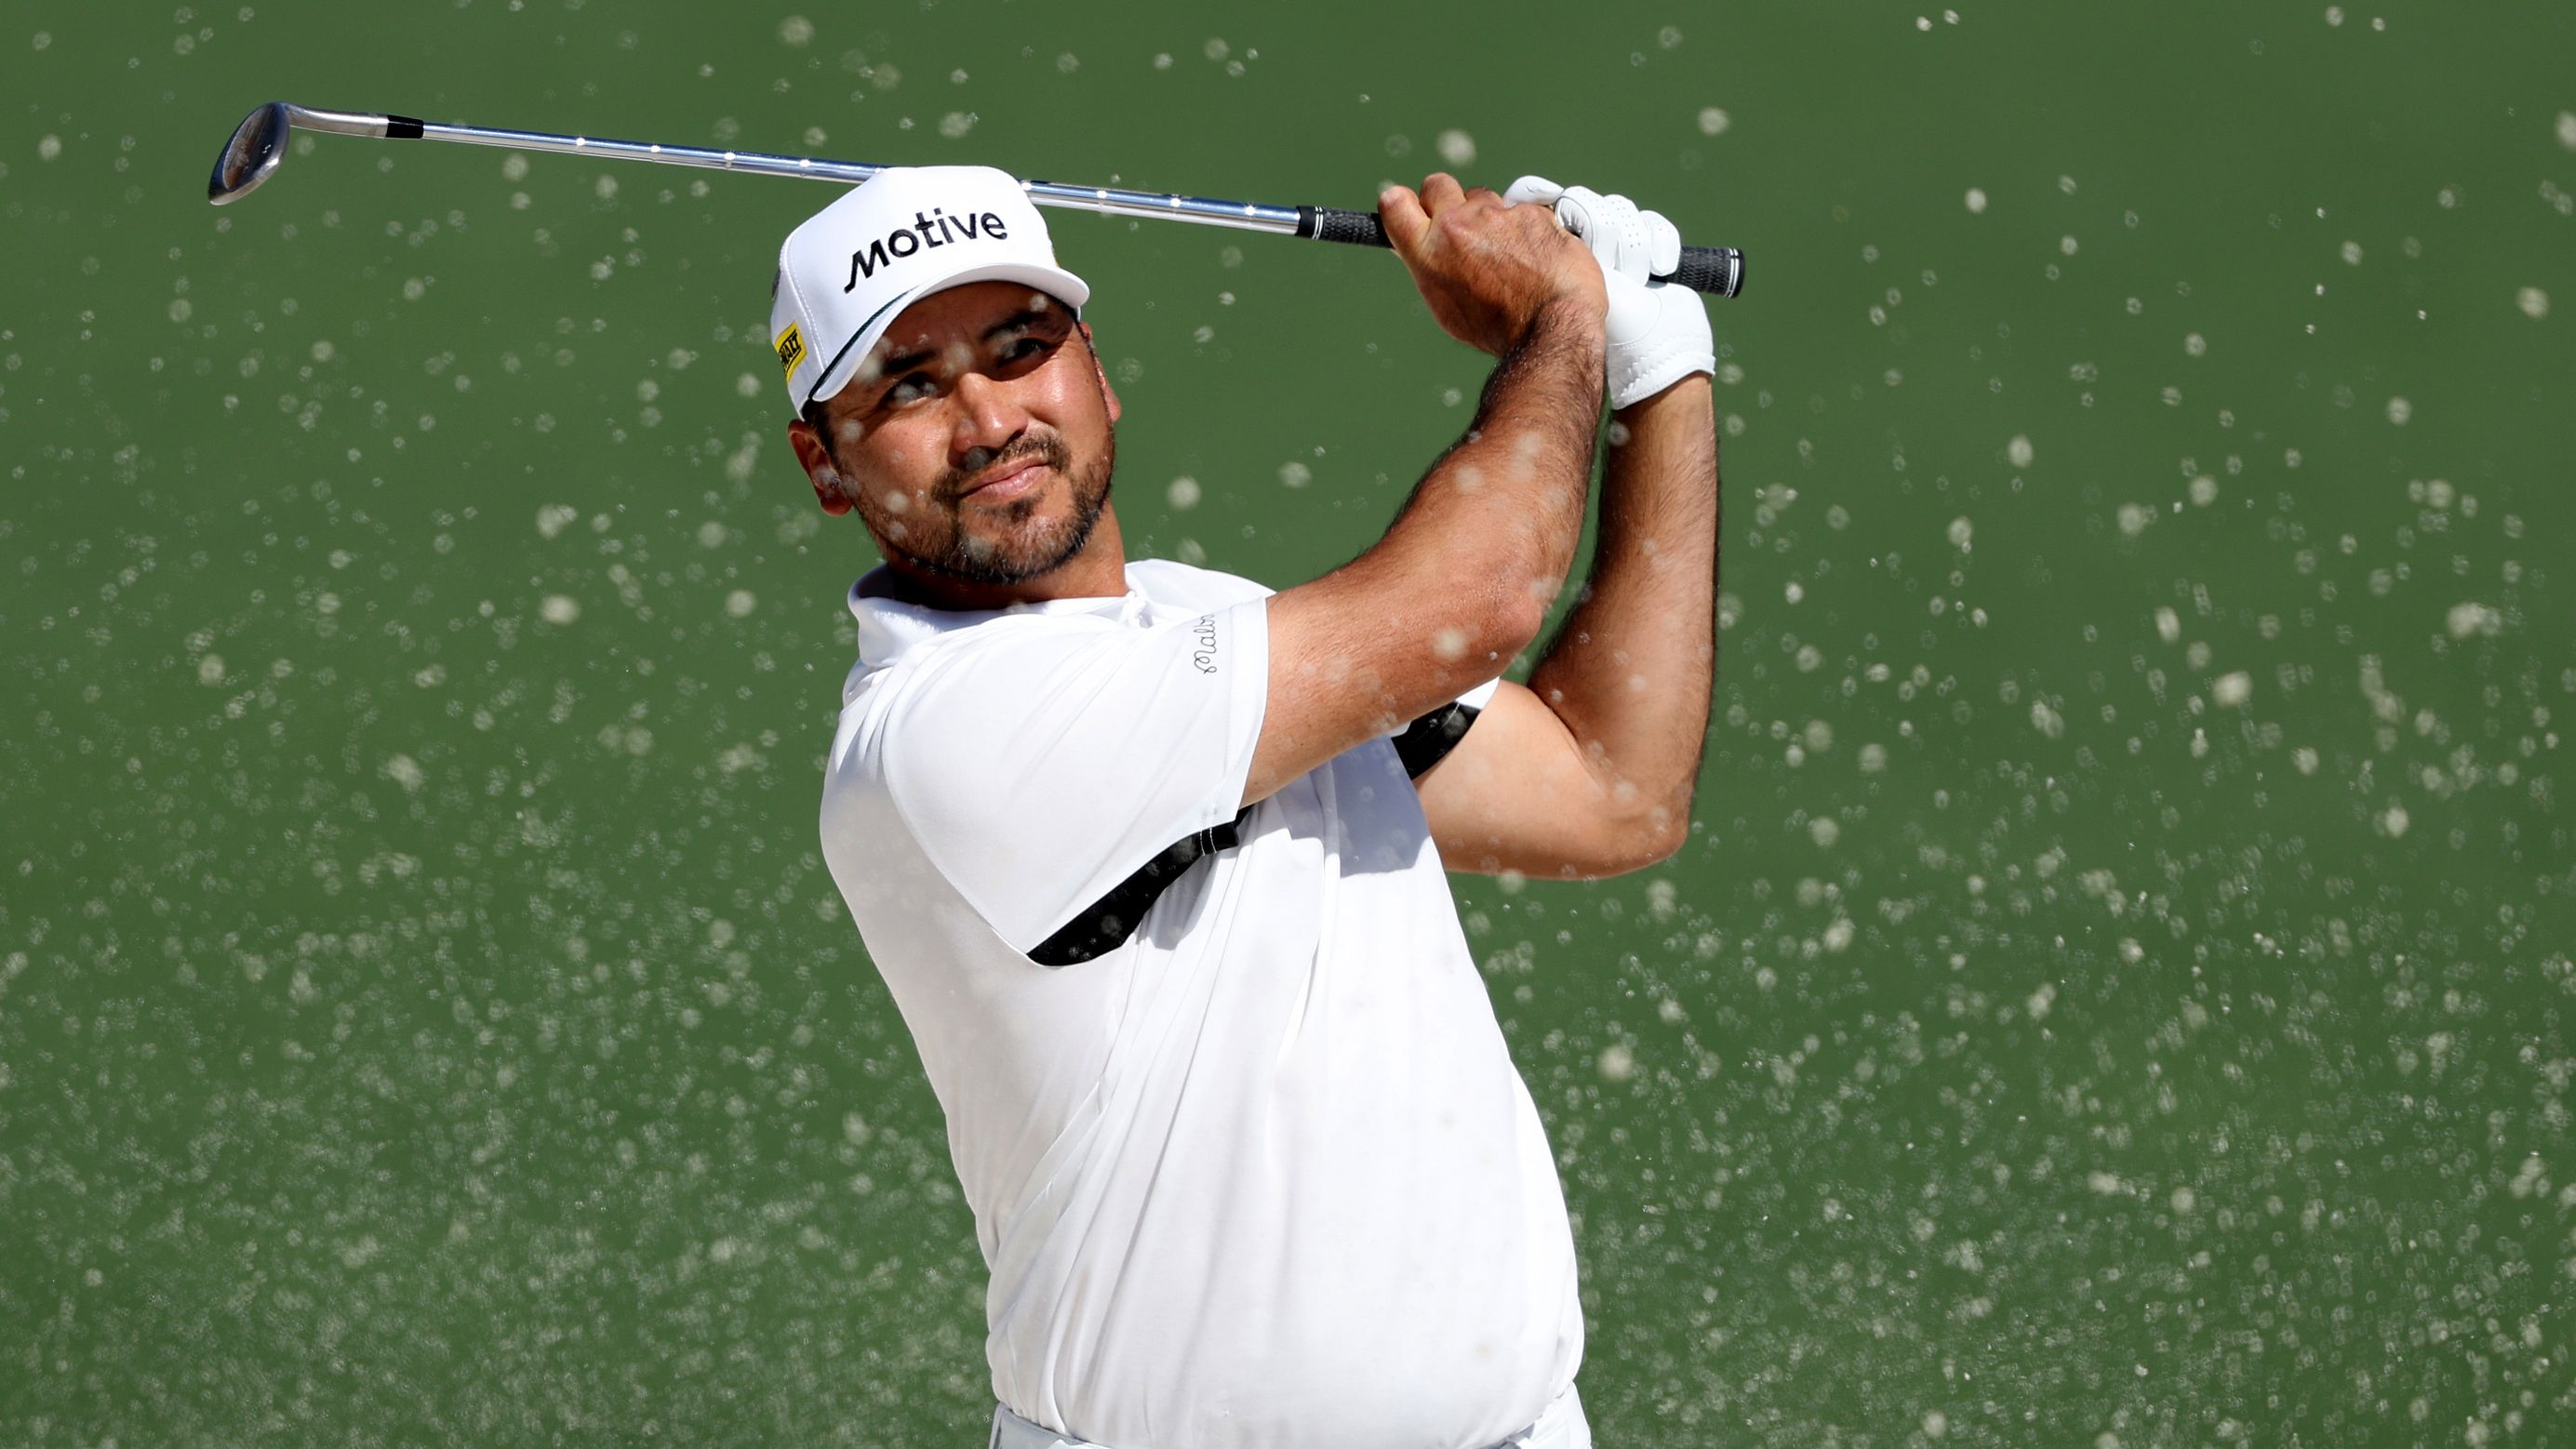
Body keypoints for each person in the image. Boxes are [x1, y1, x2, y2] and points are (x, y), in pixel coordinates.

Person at [772, 162, 1718, 1449]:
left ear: (1096, 376)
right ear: (824, 466)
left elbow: (1611, 788)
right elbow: (1483, 598)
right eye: (911, 386)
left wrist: (1655, 374)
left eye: (1019, 349)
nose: (990, 419)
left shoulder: (1210, 624)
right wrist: (1561, 321)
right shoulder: (939, 735)